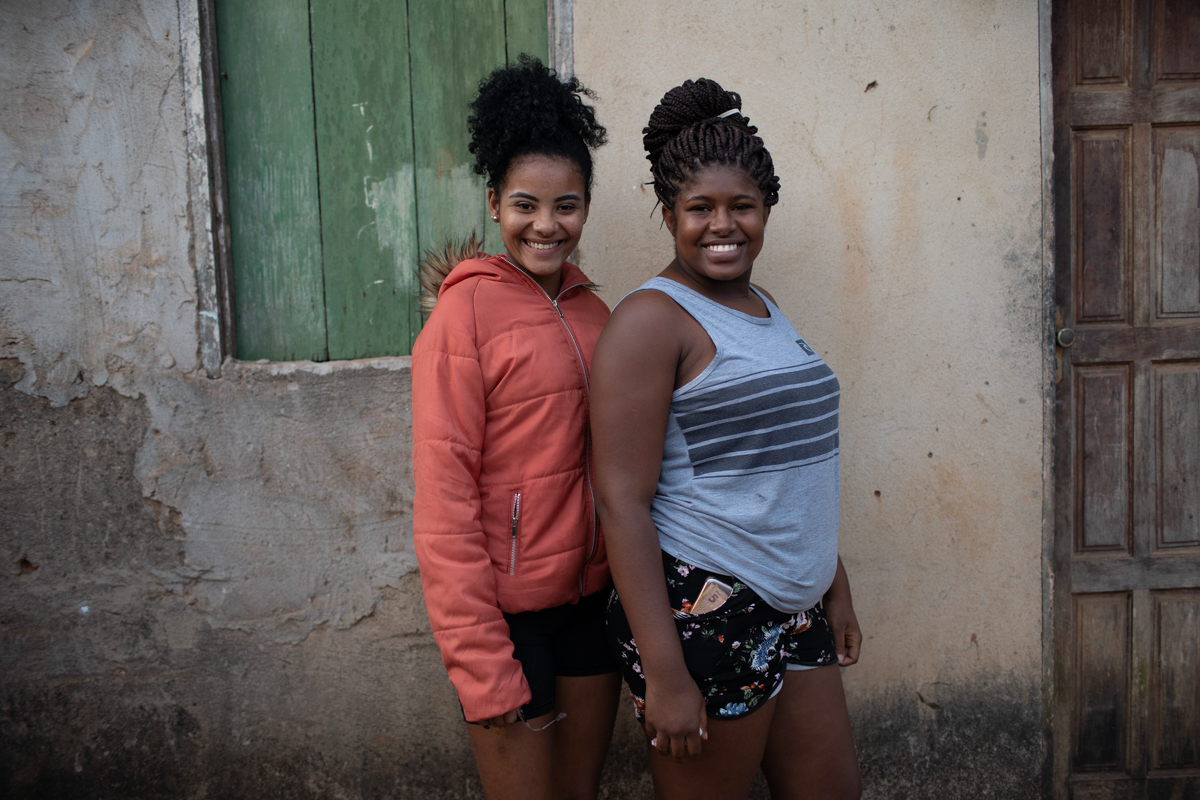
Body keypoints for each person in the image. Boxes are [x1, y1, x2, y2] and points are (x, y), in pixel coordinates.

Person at [590, 78, 863, 800]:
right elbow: (621, 500)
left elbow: (788, 461)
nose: (723, 225)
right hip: (706, 612)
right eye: (699, 208)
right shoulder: (652, 320)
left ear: (766, 208)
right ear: (667, 213)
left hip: (792, 604)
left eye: (741, 206)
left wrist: (832, 583)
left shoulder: (764, 308)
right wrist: (665, 671)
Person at [411, 55, 620, 800]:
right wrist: (479, 662)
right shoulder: (461, 317)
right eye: (525, 204)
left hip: (590, 614)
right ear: (496, 202)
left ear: (587, 208)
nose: (546, 224)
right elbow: (444, 507)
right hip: (509, 625)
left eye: (567, 205)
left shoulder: (601, 316)